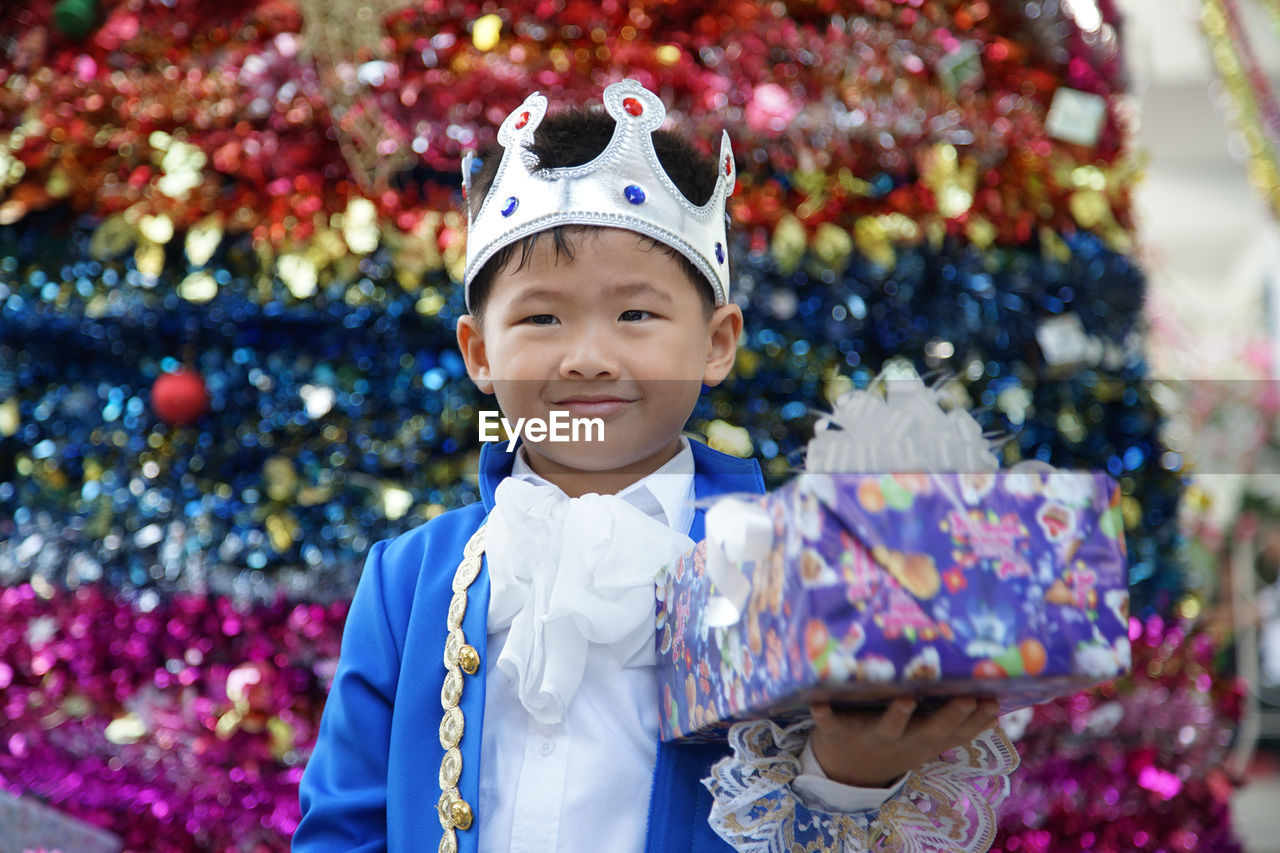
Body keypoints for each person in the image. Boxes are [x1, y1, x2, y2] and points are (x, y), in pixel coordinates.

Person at [294, 79, 1017, 853]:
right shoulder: (408, 577)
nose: (589, 358)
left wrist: (848, 773)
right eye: (541, 317)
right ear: (477, 351)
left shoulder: (790, 562)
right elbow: (343, 829)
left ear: (716, 342)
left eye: (636, 314)